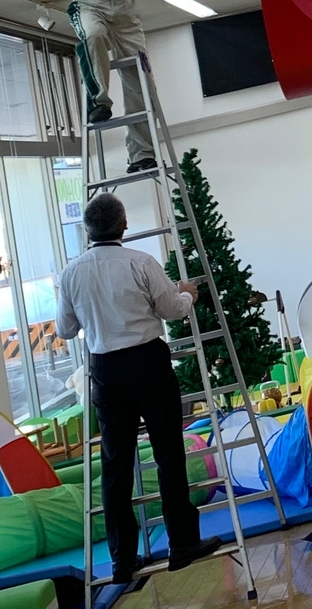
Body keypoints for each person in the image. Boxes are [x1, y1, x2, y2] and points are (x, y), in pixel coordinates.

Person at [54, 193, 222, 584]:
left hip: (105, 370)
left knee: (115, 466)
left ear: (87, 230)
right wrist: (187, 293)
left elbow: (65, 329)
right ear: (124, 224)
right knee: (168, 453)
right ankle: (182, 543)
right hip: (148, 363)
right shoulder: (141, 262)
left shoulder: (71, 273)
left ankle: (122, 560)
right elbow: (172, 309)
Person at [66, 0, 176, 173]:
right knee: (93, 36)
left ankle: (142, 154)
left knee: (141, 83)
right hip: (87, 4)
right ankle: (98, 101)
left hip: (124, 9)